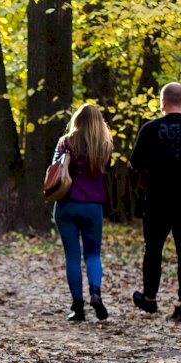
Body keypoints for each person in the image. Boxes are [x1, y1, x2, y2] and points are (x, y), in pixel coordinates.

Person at [128, 82, 181, 322]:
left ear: (162, 102)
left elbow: (134, 164)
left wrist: (139, 189)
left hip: (157, 199)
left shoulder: (150, 129)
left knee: (153, 249)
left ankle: (150, 298)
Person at [52, 104, 113, 321]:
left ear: (77, 119)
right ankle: (95, 293)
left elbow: (55, 169)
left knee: (72, 256)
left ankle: (77, 306)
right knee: (93, 254)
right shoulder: (104, 145)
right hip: (93, 206)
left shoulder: (66, 142)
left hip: (67, 204)